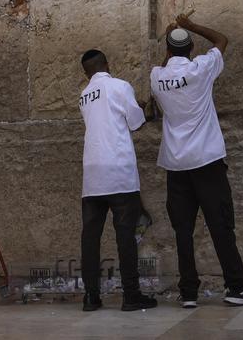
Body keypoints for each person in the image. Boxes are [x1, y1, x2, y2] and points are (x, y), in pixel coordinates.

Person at [151, 14, 243, 308]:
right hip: (206, 160)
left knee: (183, 230)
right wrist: (190, 26)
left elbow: (166, 65)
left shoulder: (157, 76)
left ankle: (188, 292)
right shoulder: (201, 69)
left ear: (168, 51)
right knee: (221, 225)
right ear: (190, 49)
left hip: (176, 164)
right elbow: (221, 40)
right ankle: (236, 286)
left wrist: (169, 40)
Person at [78, 49, 157, 313]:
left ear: (86, 72)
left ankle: (90, 297)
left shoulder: (84, 95)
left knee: (90, 237)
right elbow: (135, 122)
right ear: (107, 64)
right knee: (125, 236)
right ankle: (131, 296)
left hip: (92, 175)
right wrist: (142, 108)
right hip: (119, 172)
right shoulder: (120, 86)